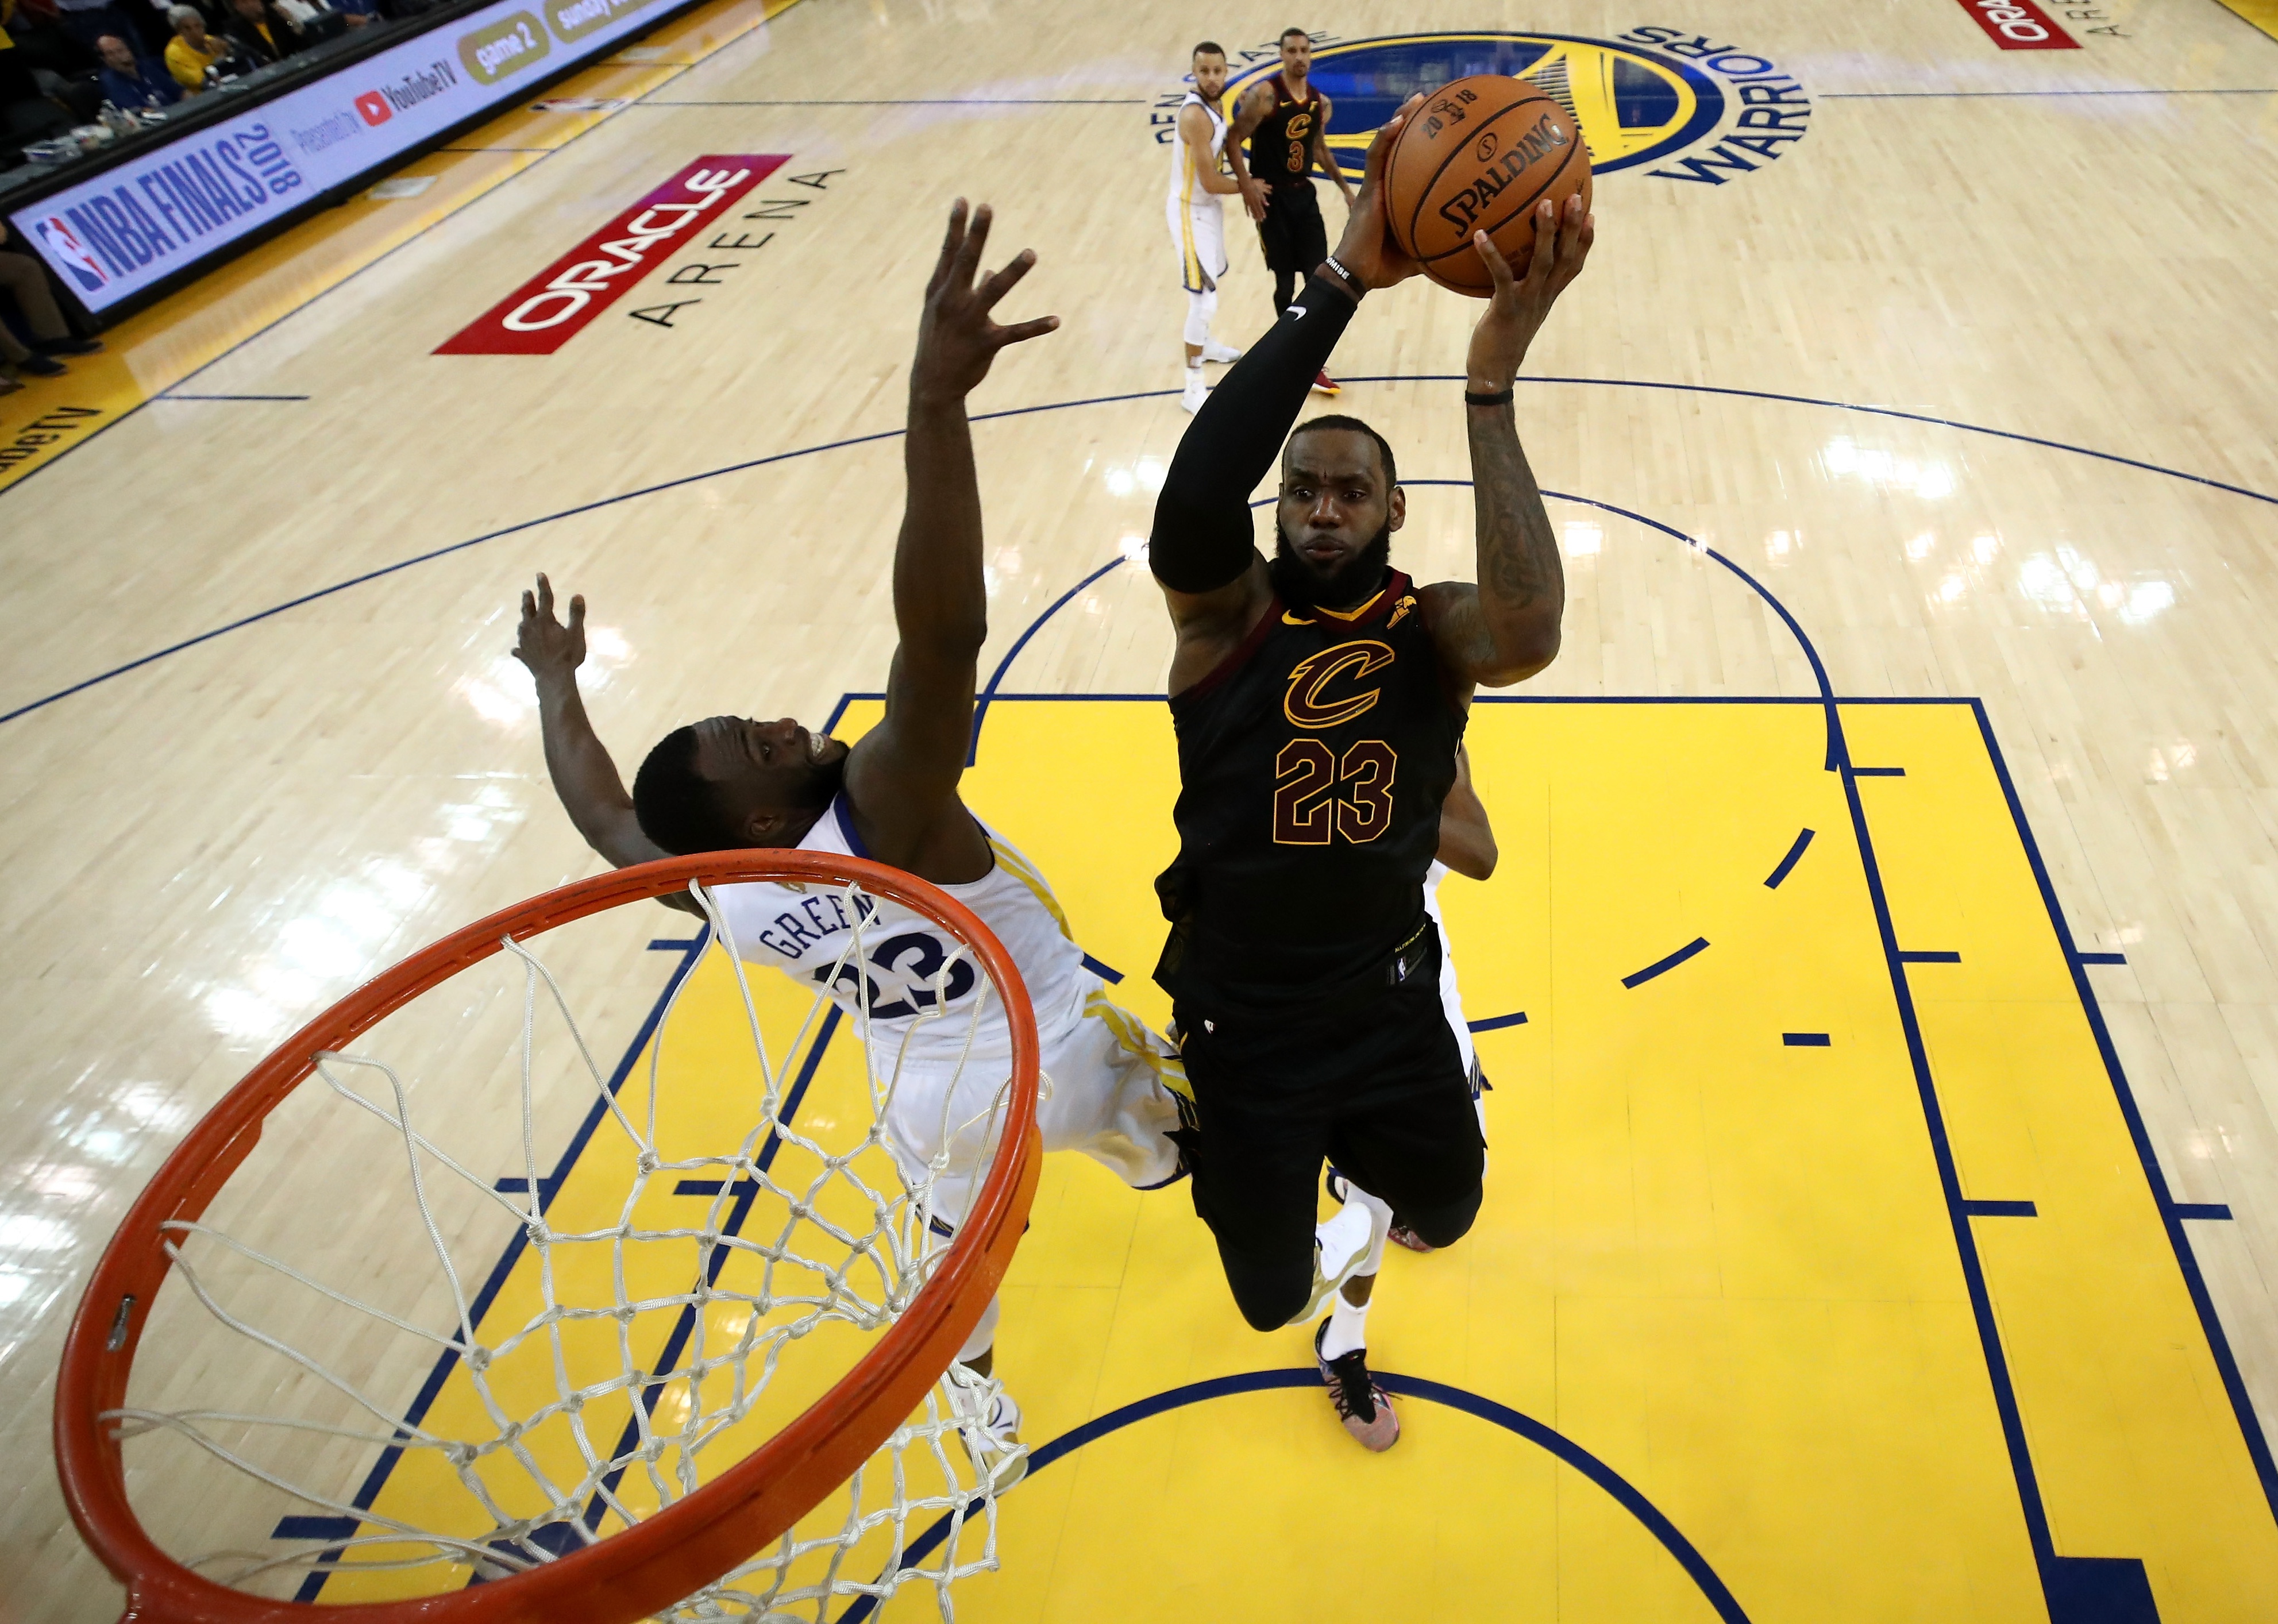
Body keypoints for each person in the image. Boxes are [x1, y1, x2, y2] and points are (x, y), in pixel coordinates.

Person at [512, 201, 1192, 1482]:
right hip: (1053, 1048)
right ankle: (1183, 1174)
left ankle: (982, 1410)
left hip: (921, 1096)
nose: (776, 722)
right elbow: (940, 640)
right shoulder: (885, 806)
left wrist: (556, 686)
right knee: (1157, 1136)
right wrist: (935, 408)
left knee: (957, 1267)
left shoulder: (718, 883)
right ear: (774, 812)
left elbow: (605, 812)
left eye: (747, 720)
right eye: (758, 747)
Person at [1146, 94, 1591, 1451]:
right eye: (1306, 490)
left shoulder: (1432, 626)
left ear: (1394, 512)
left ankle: (1351, 1151)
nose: (1325, 506)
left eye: (1351, 491)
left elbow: (1529, 628)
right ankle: (1226, 1144)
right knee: (1269, 1294)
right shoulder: (1226, 617)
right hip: (1245, 1025)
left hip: (1388, 996)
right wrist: (1338, 280)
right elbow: (1189, 502)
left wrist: (1490, 383)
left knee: (1448, 1208)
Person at [1328, 744, 1497, 1254]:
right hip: (1364, 978)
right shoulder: (1411, 749)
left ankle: (1365, 1188)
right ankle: (1365, 1192)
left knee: (1449, 1183)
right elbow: (1481, 854)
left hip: (1393, 963)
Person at [1228, 27, 1354, 396]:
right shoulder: (1266, 96)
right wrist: (1247, 185)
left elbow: (1319, 150)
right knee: (1285, 283)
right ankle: (1288, 351)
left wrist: (1347, 190)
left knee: (1321, 277)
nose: (1299, 57)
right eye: (1291, 51)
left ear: (1311, 56)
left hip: (1304, 197)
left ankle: (1310, 358)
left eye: (1304, 51)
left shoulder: (1320, 103)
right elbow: (1234, 138)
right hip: (1273, 201)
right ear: (1281, 55)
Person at [1165, 40, 1259, 415]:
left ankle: (1203, 347)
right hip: (1190, 211)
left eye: (1217, 71)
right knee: (1204, 301)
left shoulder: (1217, 104)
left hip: (1209, 209)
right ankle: (1191, 386)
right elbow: (1208, 181)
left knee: (1212, 285)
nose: (1211, 77)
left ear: (1225, 72)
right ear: (1194, 73)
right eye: (1203, 71)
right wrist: (1251, 187)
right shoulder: (1194, 117)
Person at [92, 28, 174, 105]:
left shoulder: (148, 66)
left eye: (120, 50)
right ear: (104, 59)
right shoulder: (109, 82)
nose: (118, 56)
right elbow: (135, 110)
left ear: (128, 49)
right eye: (111, 53)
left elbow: (180, 92)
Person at [163, 4, 222, 92]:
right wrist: (220, 56)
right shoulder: (175, 53)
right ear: (179, 31)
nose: (195, 32)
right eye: (188, 29)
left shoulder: (209, 39)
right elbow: (206, 81)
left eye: (198, 26)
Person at [220, 0, 295, 65]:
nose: (253, 3)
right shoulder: (235, 30)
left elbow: (299, 41)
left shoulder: (276, 17)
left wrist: (291, 21)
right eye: (245, 2)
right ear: (237, 7)